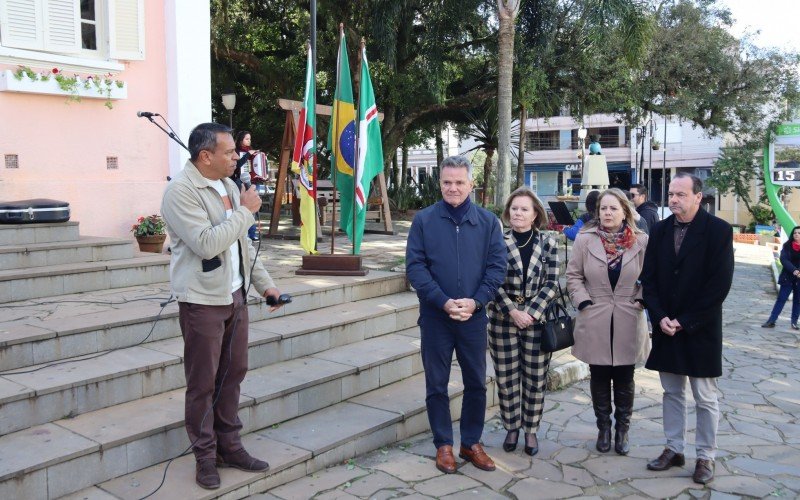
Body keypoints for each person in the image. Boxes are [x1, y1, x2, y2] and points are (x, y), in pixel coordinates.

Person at [161, 123, 286, 490]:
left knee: (233, 374)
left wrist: (266, 286)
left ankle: (230, 446)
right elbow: (206, 243)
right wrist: (245, 213)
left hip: (235, 296)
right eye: (230, 151)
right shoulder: (180, 192)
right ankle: (205, 456)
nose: (237, 156)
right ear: (206, 156)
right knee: (202, 382)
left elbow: (241, 246)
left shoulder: (229, 186)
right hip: (202, 301)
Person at [406, 155, 506, 474]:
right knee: (437, 384)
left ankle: (471, 443)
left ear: (471, 184)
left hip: (473, 319)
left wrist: (476, 302)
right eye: (447, 182)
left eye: (459, 182)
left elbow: (496, 267)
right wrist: (443, 301)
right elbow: (415, 268)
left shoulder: (488, 222)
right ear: (440, 183)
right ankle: (444, 445)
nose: (453, 188)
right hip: (437, 317)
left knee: (476, 382)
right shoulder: (424, 221)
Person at [641, 172, 734, 485]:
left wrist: (685, 320)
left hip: (700, 328)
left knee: (705, 398)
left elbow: (719, 286)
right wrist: (660, 317)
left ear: (698, 196)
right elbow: (649, 279)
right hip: (666, 326)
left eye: (680, 194)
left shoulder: (718, 231)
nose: (673, 200)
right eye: (671, 194)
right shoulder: (660, 229)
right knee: (671, 393)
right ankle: (673, 448)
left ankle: (705, 456)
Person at [566, 188, 649, 456]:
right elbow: (574, 276)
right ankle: (603, 427)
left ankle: (622, 429)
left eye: (613, 208)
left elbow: (652, 278)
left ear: (625, 211)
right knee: (599, 375)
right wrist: (583, 302)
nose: (608, 213)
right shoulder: (584, 239)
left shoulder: (641, 241)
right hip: (595, 314)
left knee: (625, 377)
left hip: (628, 313)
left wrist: (641, 300)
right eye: (603, 208)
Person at [488, 187, 559, 457]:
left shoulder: (549, 243)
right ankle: (511, 428)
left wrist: (530, 312)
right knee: (506, 378)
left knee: (535, 378)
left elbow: (553, 283)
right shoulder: (496, 242)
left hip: (536, 321)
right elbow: (490, 280)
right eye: (514, 209)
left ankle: (530, 430)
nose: (518, 213)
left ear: (535, 214)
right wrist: (512, 311)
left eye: (524, 209)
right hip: (503, 320)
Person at [762, 225, 800, 329]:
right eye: (795, 233)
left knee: (798, 301)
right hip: (787, 277)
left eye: (799, 233)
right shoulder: (787, 246)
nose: (796, 234)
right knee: (781, 299)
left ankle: (794, 322)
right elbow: (784, 260)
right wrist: (794, 270)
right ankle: (771, 321)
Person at [233, 131, 263, 241]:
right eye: (246, 139)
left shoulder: (254, 153)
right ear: (240, 140)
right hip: (242, 182)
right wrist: (247, 154)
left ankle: (252, 234)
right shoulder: (236, 152)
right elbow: (237, 166)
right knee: (243, 207)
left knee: (253, 209)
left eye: (250, 139)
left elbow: (258, 165)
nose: (249, 141)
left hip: (254, 182)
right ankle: (243, 234)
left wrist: (263, 175)